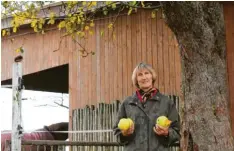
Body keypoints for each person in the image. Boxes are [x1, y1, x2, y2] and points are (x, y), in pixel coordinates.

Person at [113, 62, 180, 151]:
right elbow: (117, 132)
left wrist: (167, 133)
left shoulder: (166, 102)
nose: (144, 77)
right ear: (136, 80)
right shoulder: (127, 103)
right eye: (140, 75)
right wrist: (124, 134)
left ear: (152, 76)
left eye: (147, 73)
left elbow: (177, 130)